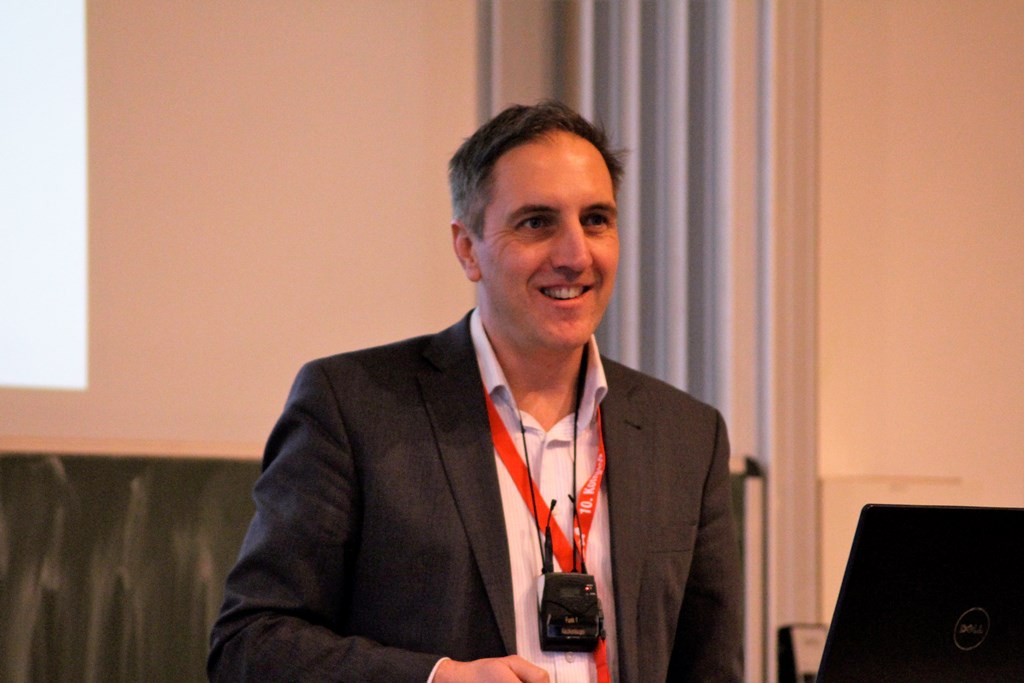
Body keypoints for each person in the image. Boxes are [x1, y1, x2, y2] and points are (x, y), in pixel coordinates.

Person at [208, 101, 742, 682]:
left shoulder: (686, 436)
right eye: (536, 223)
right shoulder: (353, 407)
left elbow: (709, 669)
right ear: (467, 249)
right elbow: (250, 646)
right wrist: (437, 679)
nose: (575, 256)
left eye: (595, 220)